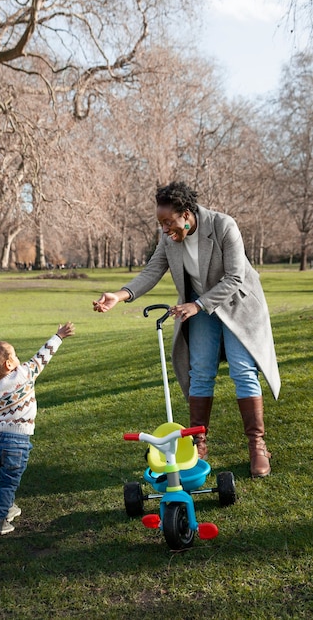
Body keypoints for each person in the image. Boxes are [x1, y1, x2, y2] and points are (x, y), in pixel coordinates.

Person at [93, 181, 280, 478]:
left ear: (187, 213)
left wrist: (198, 305)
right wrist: (120, 295)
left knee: (243, 371)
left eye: (169, 222)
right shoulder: (169, 239)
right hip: (200, 308)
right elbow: (153, 270)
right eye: (161, 223)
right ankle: (198, 443)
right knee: (200, 372)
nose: (165, 229)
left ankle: (257, 445)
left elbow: (235, 277)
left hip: (238, 305)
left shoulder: (223, 226)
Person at [0, 322, 75, 535]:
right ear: (9, 364)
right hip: (16, 442)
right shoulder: (25, 374)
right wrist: (58, 336)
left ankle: (8, 507)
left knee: (5, 478)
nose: (20, 359)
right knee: (9, 483)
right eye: (16, 355)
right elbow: (43, 356)